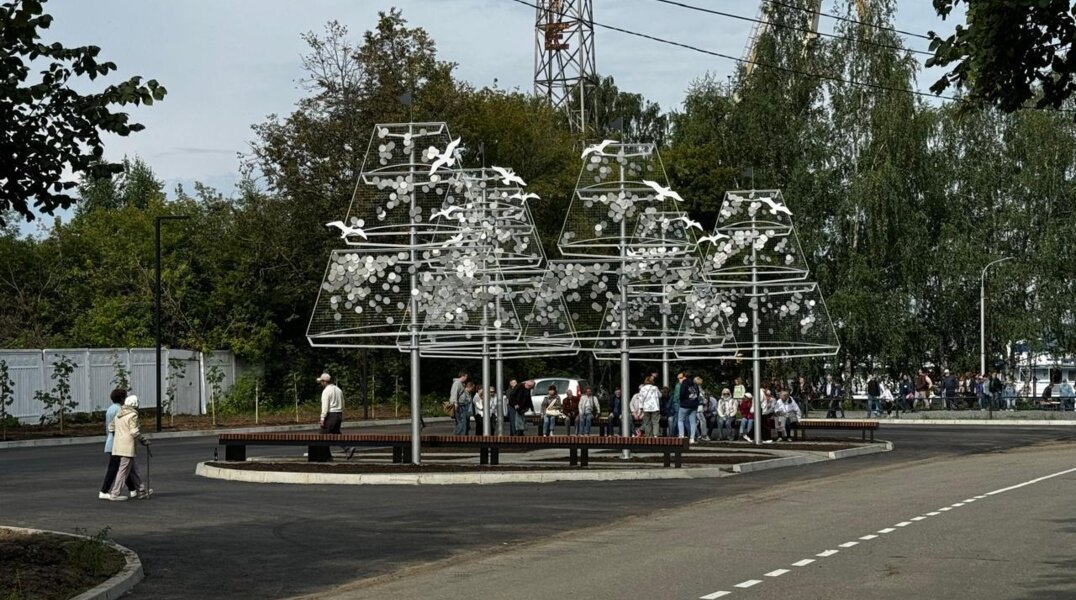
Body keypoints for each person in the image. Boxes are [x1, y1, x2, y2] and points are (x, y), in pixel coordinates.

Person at [107, 395, 151, 501]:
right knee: (123, 470)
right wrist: (143, 440)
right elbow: (134, 431)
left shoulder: (119, 414)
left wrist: (120, 434)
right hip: (127, 447)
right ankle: (115, 493)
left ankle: (141, 491)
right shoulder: (132, 415)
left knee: (133, 469)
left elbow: (111, 427)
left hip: (118, 446)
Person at [99, 388, 137, 500]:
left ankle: (133, 490)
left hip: (111, 442)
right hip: (117, 443)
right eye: (125, 397)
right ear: (122, 399)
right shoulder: (120, 410)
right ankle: (104, 490)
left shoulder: (110, 409)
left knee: (125, 467)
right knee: (115, 468)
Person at [677, 372, 700, 443]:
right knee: (693, 422)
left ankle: (681, 436)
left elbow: (681, 394)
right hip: (694, 405)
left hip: (685, 404)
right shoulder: (695, 384)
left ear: (684, 377)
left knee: (680, 420)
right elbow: (698, 394)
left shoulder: (684, 383)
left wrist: (682, 401)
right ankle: (692, 438)